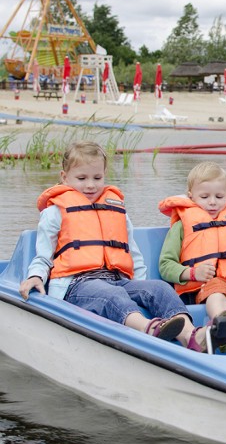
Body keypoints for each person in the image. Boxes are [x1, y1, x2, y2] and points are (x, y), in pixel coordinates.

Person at [18, 141, 209, 352]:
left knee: (159, 288)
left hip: (118, 279)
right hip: (78, 285)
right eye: (81, 178)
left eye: (97, 178)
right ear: (64, 177)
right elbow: (43, 255)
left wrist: (142, 288)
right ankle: (148, 328)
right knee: (112, 296)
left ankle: (190, 335)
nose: (90, 185)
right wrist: (35, 276)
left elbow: (132, 253)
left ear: (104, 174)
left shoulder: (117, 211)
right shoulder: (54, 212)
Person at [158, 161, 226, 352]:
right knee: (217, 290)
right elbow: (165, 265)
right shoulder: (182, 226)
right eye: (205, 196)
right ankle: (224, 323)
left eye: (219, 196)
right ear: (191, 196)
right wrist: (192, 273)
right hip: (205, 288)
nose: (213, 202)